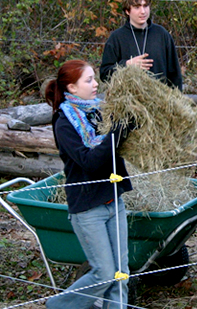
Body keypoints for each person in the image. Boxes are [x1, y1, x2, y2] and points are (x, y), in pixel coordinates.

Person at [44, 59, 132, 309]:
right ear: (71, 88)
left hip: (113, 198)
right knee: (104, 273)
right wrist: (117, 133)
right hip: (87, 207)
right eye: (89, 80)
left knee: (121, 274)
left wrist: (128, 126)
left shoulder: (98, 111)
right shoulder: (64, 123)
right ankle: (58, 306)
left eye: (94, 78)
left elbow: (114, 147)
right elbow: (90, 161)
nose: (96, 84)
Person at [100, 0, 183, 91]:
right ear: (127, 11)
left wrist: (176, 100)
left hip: (160, 101)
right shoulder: (116, 38)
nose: (143, 11)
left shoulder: (162, 34)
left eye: (145, 6)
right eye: (137, 7)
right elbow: (104, 74)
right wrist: (127, 65)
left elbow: (175, 75)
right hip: (128, 102)